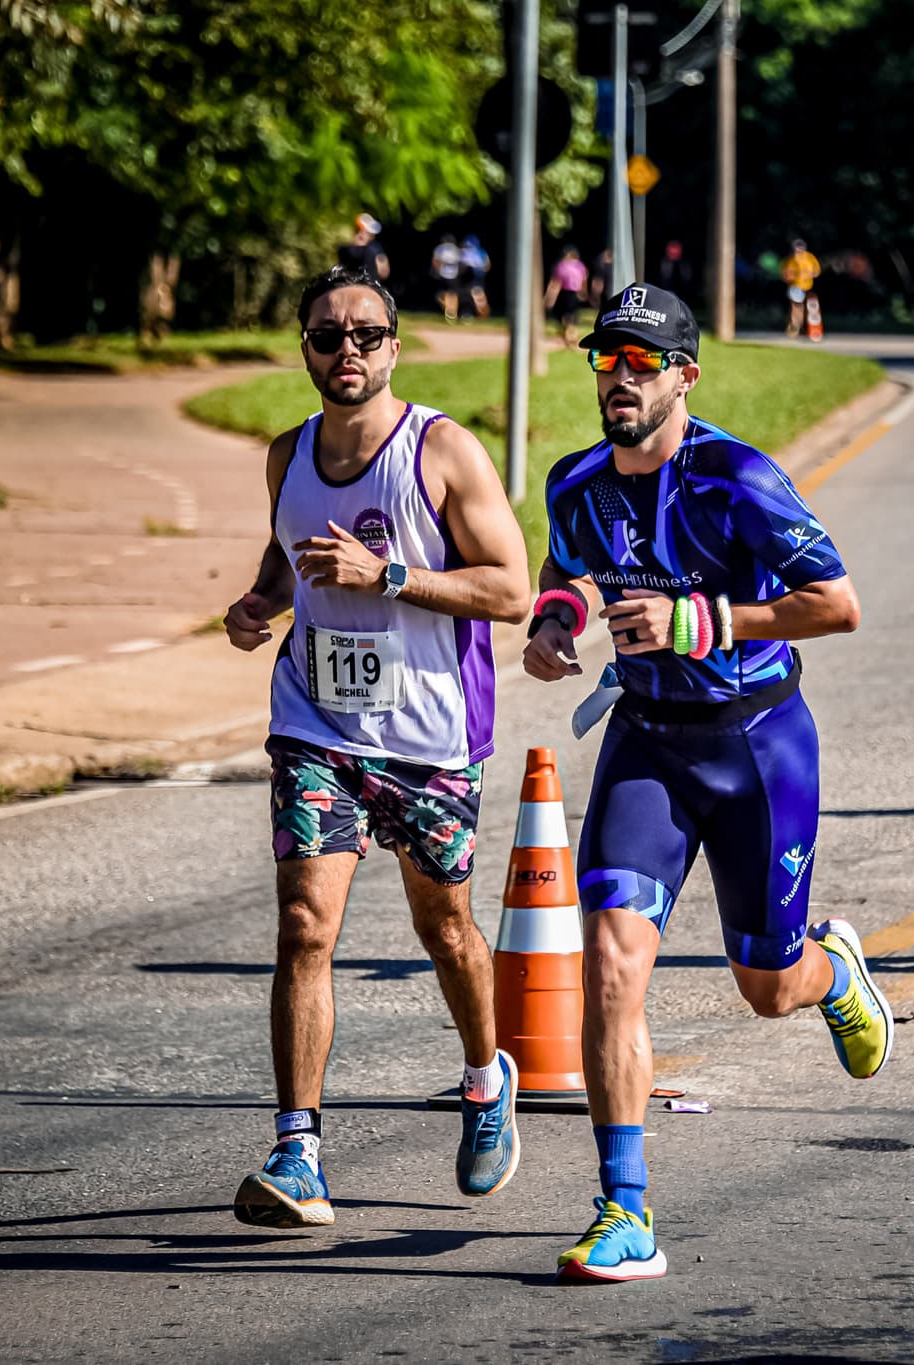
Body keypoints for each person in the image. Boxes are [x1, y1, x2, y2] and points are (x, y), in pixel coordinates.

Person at [522, 282, 885, 1281]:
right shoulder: (574, 481)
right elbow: (566, 571)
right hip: (645, 745)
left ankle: (831, 972)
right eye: (607, 360)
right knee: (610, 964)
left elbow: (837, 605)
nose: (621, 379)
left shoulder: (740, 479)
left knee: (765, 988)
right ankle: (623, 1210)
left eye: (643, 362)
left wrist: (706, 623)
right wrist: (552, 628)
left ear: (684, 373)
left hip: (756, 747)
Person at [222, 267, 531, 1228]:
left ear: (395, 346)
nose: (345, 349)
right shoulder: (288, 454)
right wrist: (259, 603)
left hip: (432, 739)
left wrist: (388, 572)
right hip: (317, 726)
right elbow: (286, 553)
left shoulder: (442, 452)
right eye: (326, 335)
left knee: (444, 930)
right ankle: (297, 1146)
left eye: (364, 334)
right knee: (306, 925)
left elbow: (512, 590)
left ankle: (486, 1081)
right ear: (305, 348)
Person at [544, 245, 590, 348]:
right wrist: (583, 291)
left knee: (566, 316)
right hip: (571, 292)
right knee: (570, 315)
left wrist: (550, 297)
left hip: (565, 293)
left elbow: (555, 283)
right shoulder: (578, 265)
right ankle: (570, 335)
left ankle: (569, 335)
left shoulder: (562, 266)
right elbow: (584, 279)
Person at [781, 238, 822, 339]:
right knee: (797, 308)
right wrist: (790, 276)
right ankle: (795, 327)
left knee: (809, 309)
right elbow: (786, 275)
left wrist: (810, 274)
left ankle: (804, 328)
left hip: (808, 287)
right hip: (796, 287)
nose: (797, 252)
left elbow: (817, 271)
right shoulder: (790, 260)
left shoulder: (810, 257)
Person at [336, 213, 391, 282]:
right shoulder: (375, 249)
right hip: (370, 283)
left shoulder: (343, 249)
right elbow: (384, 273)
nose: (362, 234)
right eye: (360, 231)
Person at [458, 235, 492, 320]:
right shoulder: (481, 251)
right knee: (478, 295)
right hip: (478, 276)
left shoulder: (464, 252)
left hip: (470, 278)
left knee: (475, 296)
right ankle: (481, 314)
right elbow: (487, 266)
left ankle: (482, 314)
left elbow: (460, 264)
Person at [431, 235, 463, 323]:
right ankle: (452, 312)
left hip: (443, 274)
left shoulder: (440, 248)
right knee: (452, 295)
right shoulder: (455, 249)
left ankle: (449, 310)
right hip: (453, 275)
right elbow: (460, 262)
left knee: (442, 295)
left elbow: (435, 261)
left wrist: (436, 271)